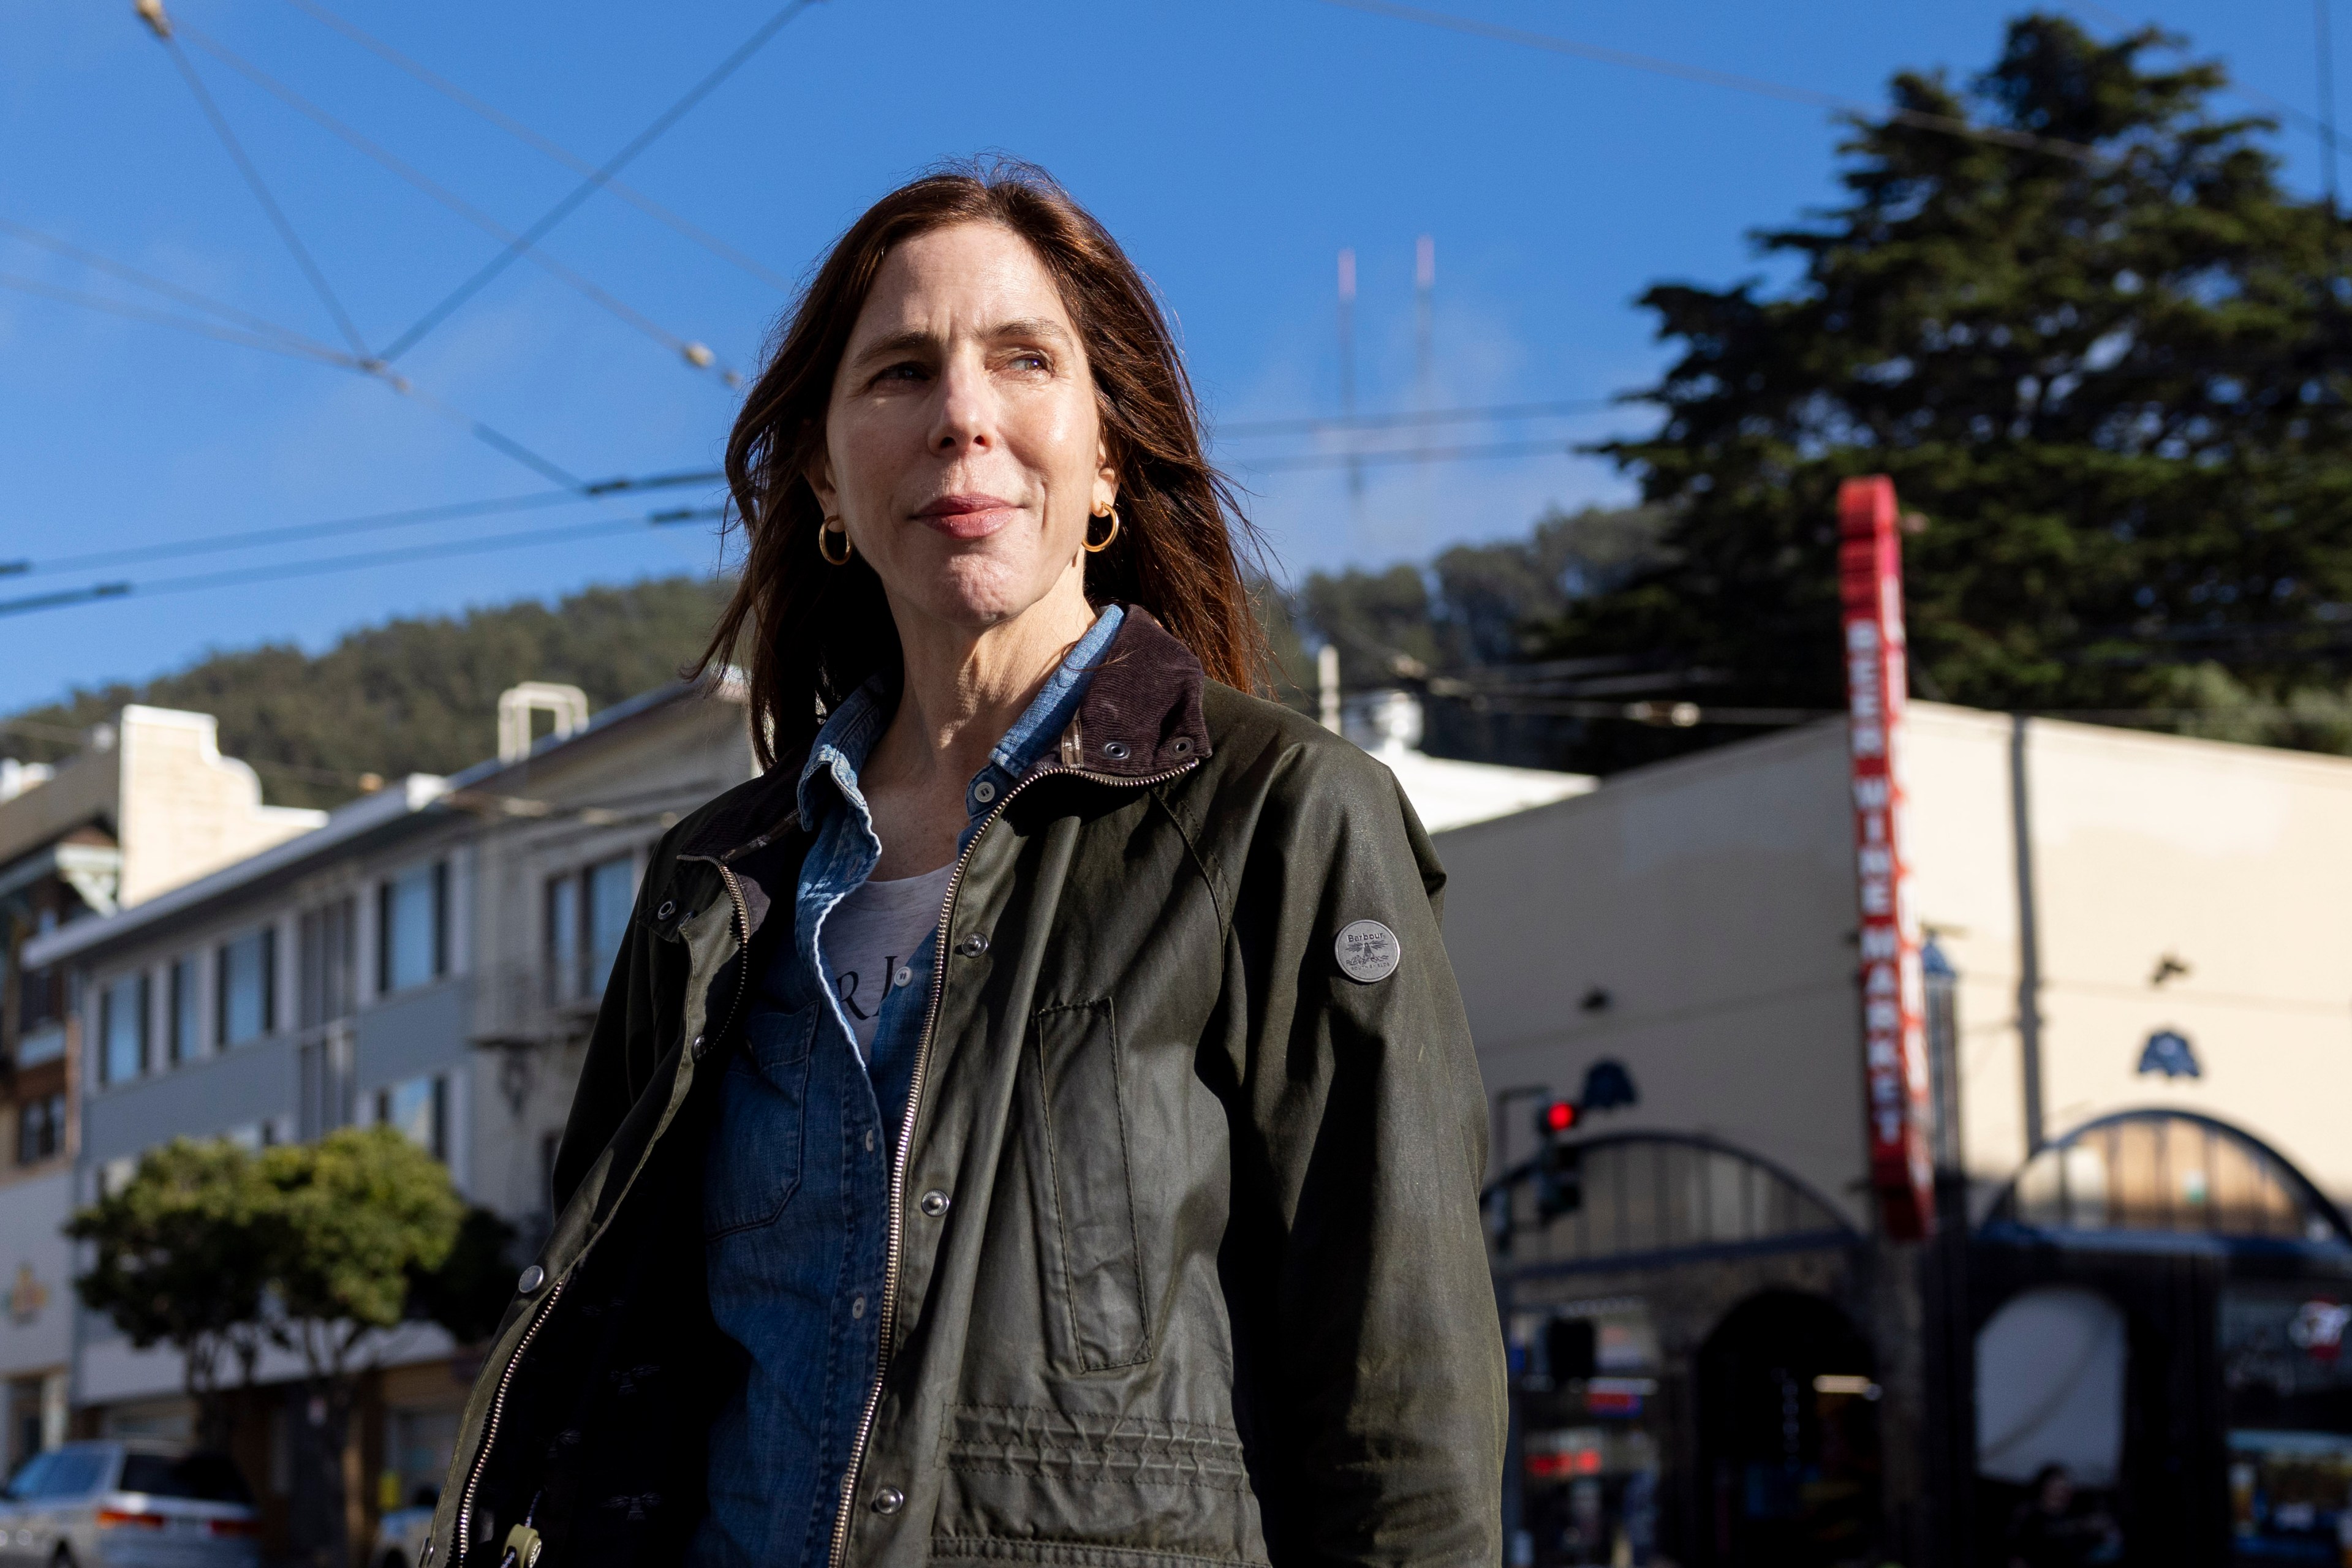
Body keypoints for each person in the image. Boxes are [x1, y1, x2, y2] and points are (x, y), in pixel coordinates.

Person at [424, 160, 1505, 1568]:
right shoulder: (716, 881)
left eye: (1024, 359)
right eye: (899, 372)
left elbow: (1401, 1412)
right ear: (822, 468)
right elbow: (629, 1372)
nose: (962, 418)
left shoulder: (1285, 818)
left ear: (1106, 453)